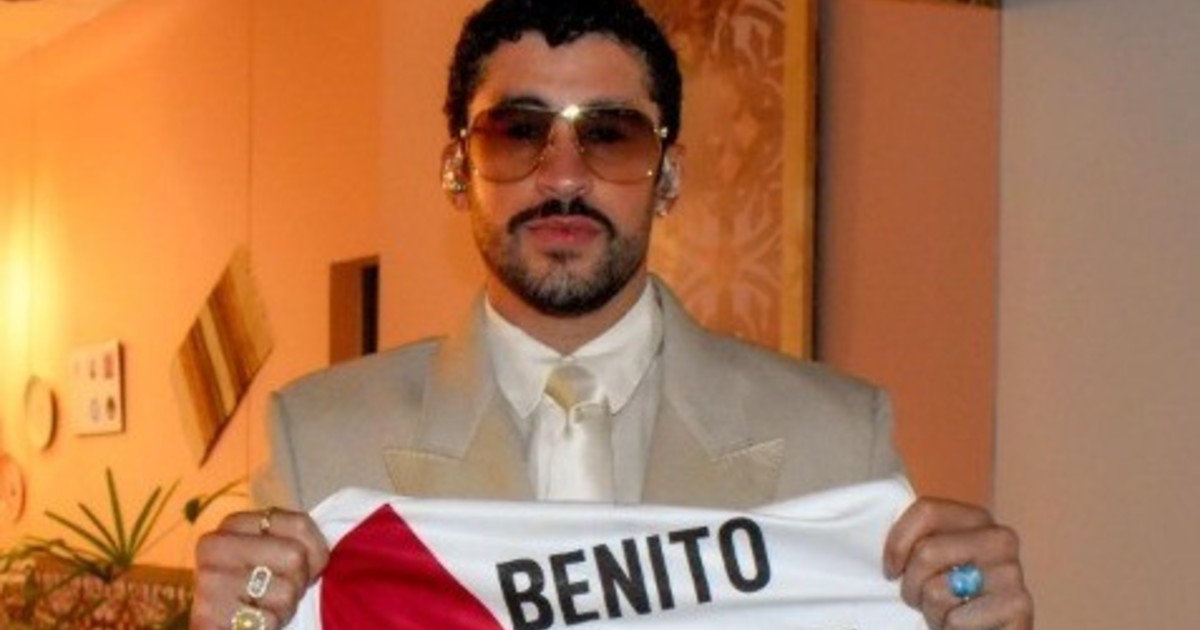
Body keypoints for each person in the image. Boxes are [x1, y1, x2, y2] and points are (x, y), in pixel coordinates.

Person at [191, 0, 1033, 628]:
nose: (562, 177)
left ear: (669, 176)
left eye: (611, 136)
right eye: (516, 132)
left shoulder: (839, 439)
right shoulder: (322, 443)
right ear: (459, 170)